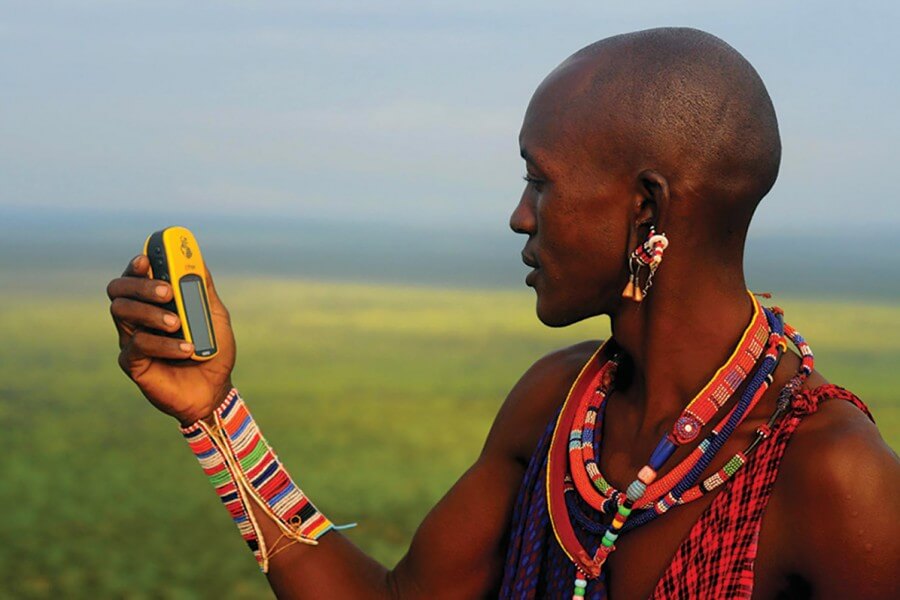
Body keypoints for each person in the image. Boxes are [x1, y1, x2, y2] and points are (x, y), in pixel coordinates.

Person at [106, 27, 899, 599]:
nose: (521, 217)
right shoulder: (555, 408)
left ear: (645, 210)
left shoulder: (831, 475)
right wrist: (214, 414)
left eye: (541, 181)